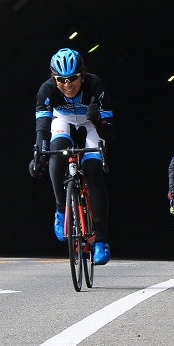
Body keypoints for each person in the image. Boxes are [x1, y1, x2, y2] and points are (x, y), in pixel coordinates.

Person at [28, 47, 113, 265]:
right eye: (61, 79)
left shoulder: (96, 86)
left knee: (93, 172)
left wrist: (98, 121)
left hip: (89, 123)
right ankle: (59, 209)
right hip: (62, 120)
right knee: (56, 154)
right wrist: (39, 156)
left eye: (73, 78)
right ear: (53, 78)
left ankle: (101, 241)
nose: (67, 85)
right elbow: (43, 129)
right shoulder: (46, 91)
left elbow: (108, 130)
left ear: (82, 74)